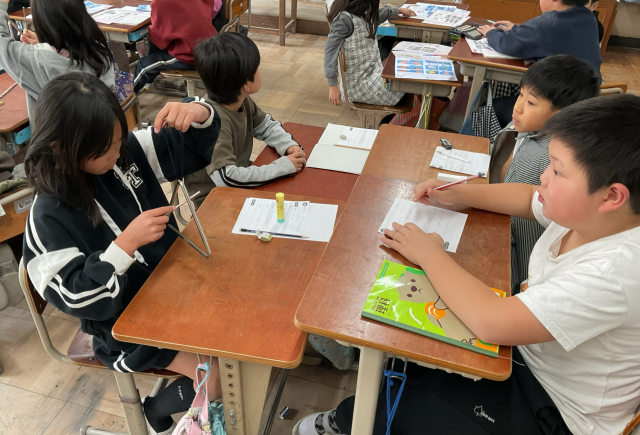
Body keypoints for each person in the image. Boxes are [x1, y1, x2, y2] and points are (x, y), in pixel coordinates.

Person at [293, 94, 640, 435]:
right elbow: (527, 197)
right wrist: (458, 193)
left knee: (407, 400)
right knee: (411, 348)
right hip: (526, 354)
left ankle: (352, 421)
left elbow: (492, 322)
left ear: (612, 196)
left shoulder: (616, 272)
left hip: (552, 407)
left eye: (558, 171)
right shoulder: (595, 215)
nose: (544, 179)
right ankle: (364, 410)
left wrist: (429, 253)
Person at [23, 72, 222, 435]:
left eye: (118, 140)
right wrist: (123, 247)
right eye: (105, 150)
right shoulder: (47, 215)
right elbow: (75, 296)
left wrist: (200, 113)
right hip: (123, 324)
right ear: (60, 147)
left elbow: (187, 147)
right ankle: (156, 408)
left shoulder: (123, 152)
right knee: (219, 378)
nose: (117, 154)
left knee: (237, 333)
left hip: (176, 285)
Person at [489, 55, 600, 294]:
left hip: (519, 261)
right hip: (501, 225)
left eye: (531, 102)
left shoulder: (551, 157)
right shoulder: (524, 127)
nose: (518, 107)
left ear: (563, 114)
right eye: (520, 95)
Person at [185, 33, 305, 208]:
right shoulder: (212, 122)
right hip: (214, 200)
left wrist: (287, 144)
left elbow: (265, 125)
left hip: (239, 182)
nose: (259, 72)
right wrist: (282, 167)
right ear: (246, 84)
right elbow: (227, 178)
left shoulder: (241, 100)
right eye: (257, 68)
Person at [0, 0, 115, 121]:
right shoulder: (98, 49)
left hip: (59, 133)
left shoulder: (38, 59)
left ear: (41, 21)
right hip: (103, 129)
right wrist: (48, 43)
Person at [324, 0, 416, 107]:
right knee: (407, 83)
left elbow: (380, 13)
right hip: (358, 86)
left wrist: (398, 10)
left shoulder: (364, 13)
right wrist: (332, 85)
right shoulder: (344, 20)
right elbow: (330, 52)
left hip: (374, 73)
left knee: (408, 76)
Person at [477, 0, 602, 76]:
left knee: (488, 107)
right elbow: (549, 40)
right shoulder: (589, 19)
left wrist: (491, 32)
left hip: (554, 101)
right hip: (583, 99)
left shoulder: (548, 22)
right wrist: (516, 29)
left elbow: (508, 43)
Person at [133, 0, 217, 93]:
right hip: (211, 45)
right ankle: (149, 81)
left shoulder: (161, 2)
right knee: (153, 50)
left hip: (191, 55)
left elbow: (160, 41)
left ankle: (125, 98)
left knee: (143, 65)